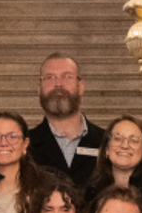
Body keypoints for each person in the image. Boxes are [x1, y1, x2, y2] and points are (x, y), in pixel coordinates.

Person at [27, 52, 105, 188]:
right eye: (50, 77)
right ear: (39, 88)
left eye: (67, 77)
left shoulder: (107, 142)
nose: (58, 84)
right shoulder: (24, 145)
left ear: (81, 86)